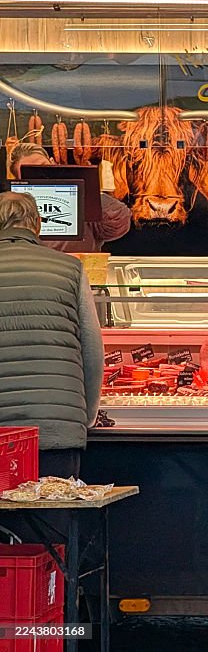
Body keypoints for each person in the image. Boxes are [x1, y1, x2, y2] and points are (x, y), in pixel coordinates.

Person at [0, 191, 102, 478]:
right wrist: (87, 416)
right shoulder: (70, 268)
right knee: (52, 516)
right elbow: (92, 349)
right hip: (56, 429)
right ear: (37, 225)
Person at [9, 141, 131, 252]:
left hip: (80, 273)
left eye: (44, 167)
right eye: (30, 173)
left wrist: (88, 190)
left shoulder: (78, 200)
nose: (40, 176)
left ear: (53, 163)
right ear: (17, 180)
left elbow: (119, 224)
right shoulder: (12, 212)